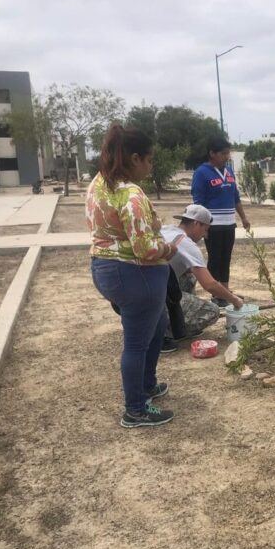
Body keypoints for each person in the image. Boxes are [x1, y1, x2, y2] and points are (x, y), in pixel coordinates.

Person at [87, 125, 181, 428]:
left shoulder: (100, 184)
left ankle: (147, 385)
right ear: (136, 158)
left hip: (105, 267)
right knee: (137, 341)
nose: (151, 166)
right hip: (133, 273)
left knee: (157, 326)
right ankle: (136, 409)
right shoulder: (132, 194)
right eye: (149, 159)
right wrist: (168, 247)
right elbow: (143, 247)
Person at [159, 204, 245, 353]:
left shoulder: (167, 230)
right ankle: (163, 332)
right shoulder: (187, 244)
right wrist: (234, 299)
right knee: (212, 312)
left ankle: (173, 318)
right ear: (196, 223)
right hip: (155, 294)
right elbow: (210, 285)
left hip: (140, 287)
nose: (205, 236)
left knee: (189, 276)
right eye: (205, 229)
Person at [191, 137, 250, 306]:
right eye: (223, 153)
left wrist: (243, 217)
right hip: (213, 225)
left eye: (228, 153)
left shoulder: (229, 172)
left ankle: (225, 289)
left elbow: (235, 197)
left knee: (226, 258)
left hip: (229, 223)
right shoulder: (202, 172)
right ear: (212, 154)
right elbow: (198, 201)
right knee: (215, 259)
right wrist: (203, 225)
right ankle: (216, 295)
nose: (227, 156)